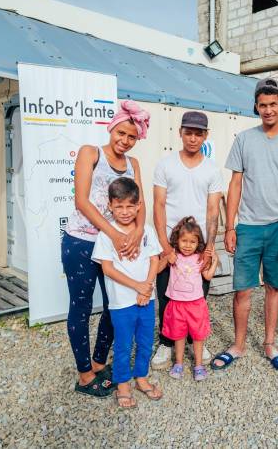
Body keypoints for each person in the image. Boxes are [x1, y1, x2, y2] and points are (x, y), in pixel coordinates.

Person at [211, 78, 278, 374]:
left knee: (274, 288)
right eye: (263, 105)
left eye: (273, 104)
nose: (268, 110)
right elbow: (235, 184)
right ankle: (238, 345)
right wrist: (230, 228)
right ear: (256, 106)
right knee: (242, 289)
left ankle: (269, 344)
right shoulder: (244, 139)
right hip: (249, 227)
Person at [61, 100, 149, 397]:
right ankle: (85, 375)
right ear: (111, 129)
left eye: (132, 137)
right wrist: (114, 233)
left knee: (116, 305)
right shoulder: (91, 153)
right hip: (82, 242)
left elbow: (140, 203)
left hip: (117, 247)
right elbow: (81, 201)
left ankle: (99, 362)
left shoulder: (133, 164)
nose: (125, 141)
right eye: (121, 133)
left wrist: (138, 231)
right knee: (81, 306)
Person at [151, 111, 223, 370]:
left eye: (198, 133)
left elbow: (213, 210)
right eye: (188, 132)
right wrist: (165, 246)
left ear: (206, 135)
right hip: (171, 242)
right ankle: (166, 342)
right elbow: (158, 205)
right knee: (167, 296)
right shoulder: (165, 165)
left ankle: (195, 340)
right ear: (180, 132)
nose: (193, 138)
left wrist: (210, 247)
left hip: (198, 244)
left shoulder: (212, 169)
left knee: (197, 297)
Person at [91, 177, 163, 409]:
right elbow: (108, 269)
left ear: (139, 205)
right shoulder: (106, 235)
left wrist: (147, 287)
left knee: (145, 341)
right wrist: (137, 286)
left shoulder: (147, 231)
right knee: (123, 345)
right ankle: (122, 384)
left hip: (146, 299)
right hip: (121, 303)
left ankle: (141, 377)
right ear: (110, 206)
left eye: (130, 206)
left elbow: (154, 260)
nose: (124, 211)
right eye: (119, 206)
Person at [161, 217, 219, 381]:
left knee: (198, 336)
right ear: (177, 241)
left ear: (198, 243)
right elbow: (158, 268)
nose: (188, 245)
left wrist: (215, 261)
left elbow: (207, 276)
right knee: (178, 336)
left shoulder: (200, 258)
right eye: (184, 241)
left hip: (196, 305)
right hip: (176, 304)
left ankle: (198, 366)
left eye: (192, 242)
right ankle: (178, 363)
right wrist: (166, 258)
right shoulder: (173, 255)